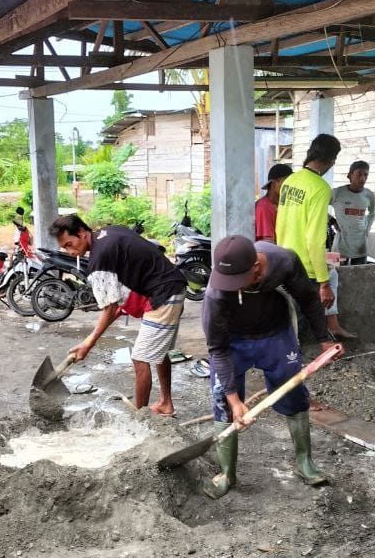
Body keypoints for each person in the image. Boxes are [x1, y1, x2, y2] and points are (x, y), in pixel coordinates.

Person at [202, 235, 338, 498]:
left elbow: (308, 299)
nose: (229, 287)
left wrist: (323, 339)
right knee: (222, 399)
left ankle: (304, 462)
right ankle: (227, 472)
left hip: (275, 334)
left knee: (295, 394)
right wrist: (234, 400)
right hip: (233, 339)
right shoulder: (216, 292)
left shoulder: (283, 261)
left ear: (255, 268)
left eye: (236, 281)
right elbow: (217, 348)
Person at [52, 213, 186, 416]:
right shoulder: (110, 233)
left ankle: (138, 418)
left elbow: (110, 307)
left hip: (163, 295)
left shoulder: (100, 259)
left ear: (81, 232)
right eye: (64, 248)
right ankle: (165, 403)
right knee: (158, 352)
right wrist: (91, 340)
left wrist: (90, 341)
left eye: (69, 244)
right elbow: (118, 305)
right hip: (172, 286)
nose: (69, 251)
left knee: (140, 358)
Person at [275, 133, 354, 339]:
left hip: (285, 258)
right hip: (304, 266)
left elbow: (281, 222)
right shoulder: (320, 188)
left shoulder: (290, 180)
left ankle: (290, 356)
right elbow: (315, 238)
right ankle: (296, 362)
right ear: (332, 159)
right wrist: (324, 283)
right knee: (301, 322)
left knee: (289, 317)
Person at [330, 160, 375, 264]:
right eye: (359, 174)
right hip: (340, 245)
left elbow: (372, 214)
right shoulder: (337, 193)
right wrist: (331, 220)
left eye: (366, 175)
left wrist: (367, 229)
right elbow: (320, 206)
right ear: (350, 175)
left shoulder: (369, 195)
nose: (362, 178)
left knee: (359, 275)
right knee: (336, 274)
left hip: (360, 246)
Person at [255, 162, 292, 242]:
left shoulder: (282, 204)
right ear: (274, 183)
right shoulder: (264, 207)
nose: (289, 186)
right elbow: (267, 243)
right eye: (286, 182)